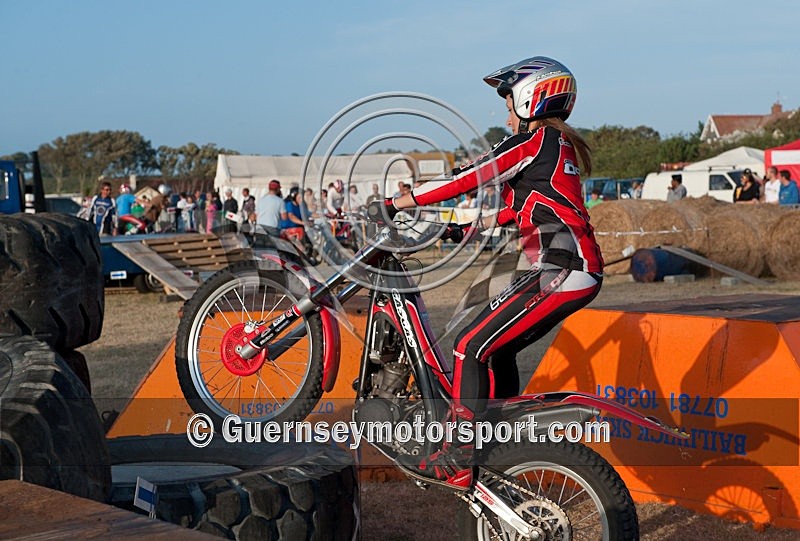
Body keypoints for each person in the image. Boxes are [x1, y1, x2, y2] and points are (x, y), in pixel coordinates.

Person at [372, 56, 603, 490]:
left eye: (508, 103)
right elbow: (522, 207)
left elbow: (469, 176)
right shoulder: (557, 147)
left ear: (531, 98)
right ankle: (498, 443)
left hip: (560, 267)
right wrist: (464, 224)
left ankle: (456, 453)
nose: (505, 114)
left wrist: (400, 203)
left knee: (467, 346)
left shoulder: (535, 142)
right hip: (569, 267)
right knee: (495, 351)